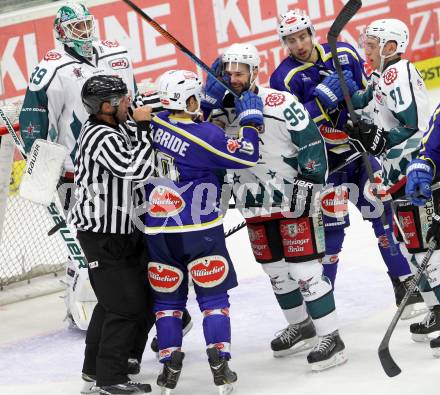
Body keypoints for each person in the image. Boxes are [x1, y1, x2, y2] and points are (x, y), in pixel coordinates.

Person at [18, 0, 192, 351]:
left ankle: (147, 307)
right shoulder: (51, 69)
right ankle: (87, 306)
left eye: (86, 25)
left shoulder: (117, 52)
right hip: (81, 172)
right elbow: (35, 119)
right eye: (75, 28)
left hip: (127, 160)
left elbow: (135, 97)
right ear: (61, 33)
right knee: (95, 240)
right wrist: (43, 170)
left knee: (138, 237)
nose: (83, 33)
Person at [269, 9, 423, 327]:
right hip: (327, 167)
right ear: (284, 42)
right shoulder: (282, 78)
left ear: (311, 32)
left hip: (361, 154)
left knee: (384, 219)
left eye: (302, 36)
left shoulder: (344, 52)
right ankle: (324, 304)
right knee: (331, 239)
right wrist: (322, 104)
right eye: (290, 40)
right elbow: (291, 126)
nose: (298, 44)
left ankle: (405, 284)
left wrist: (357, 102)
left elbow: (367, 96)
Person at [206, 43, 346, 371]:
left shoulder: (279, 102)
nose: (233, 78)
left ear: (255, 72)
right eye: (228, 73)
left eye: (239, 72)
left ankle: (332, 337)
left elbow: (310, 141)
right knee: (277, 273)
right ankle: (301, 325)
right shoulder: (220, 114)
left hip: (292, 200)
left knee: (305, 271)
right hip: (253, 203)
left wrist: (311, 184)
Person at [144, 69, 262, 393]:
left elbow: (185, 128)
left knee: (167, 300)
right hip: (199, 228)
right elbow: (248, 155)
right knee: (212, 296)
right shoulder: (207, 135)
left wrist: (206, 104)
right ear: (189, 99)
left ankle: (169, 364)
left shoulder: (154, 123)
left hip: (156, 227)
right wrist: (251, 121)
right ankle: (220, 360)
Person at [347, 18, 440, 356]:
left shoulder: (396, 72)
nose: (366, 50)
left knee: (427, 247)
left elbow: (413, 125)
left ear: (389, 47)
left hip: (415, 169)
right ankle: (437, 311)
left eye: (372, 45)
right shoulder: (379, 75)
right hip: (395, 173)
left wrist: (381, 138)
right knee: (410, 247)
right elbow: (364, 103)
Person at [68, 75, 153, 394]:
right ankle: (110, 378)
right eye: (124, 99)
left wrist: (144, 120)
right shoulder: (101, 136)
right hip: (102, 235)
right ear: (107, 106)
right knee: (125, 305)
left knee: (115, 301)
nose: (130, 102)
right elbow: (136, 169)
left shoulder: (114, 125)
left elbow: (135, 134)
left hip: (119, 231)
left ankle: (94, 370)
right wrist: (144, 129)